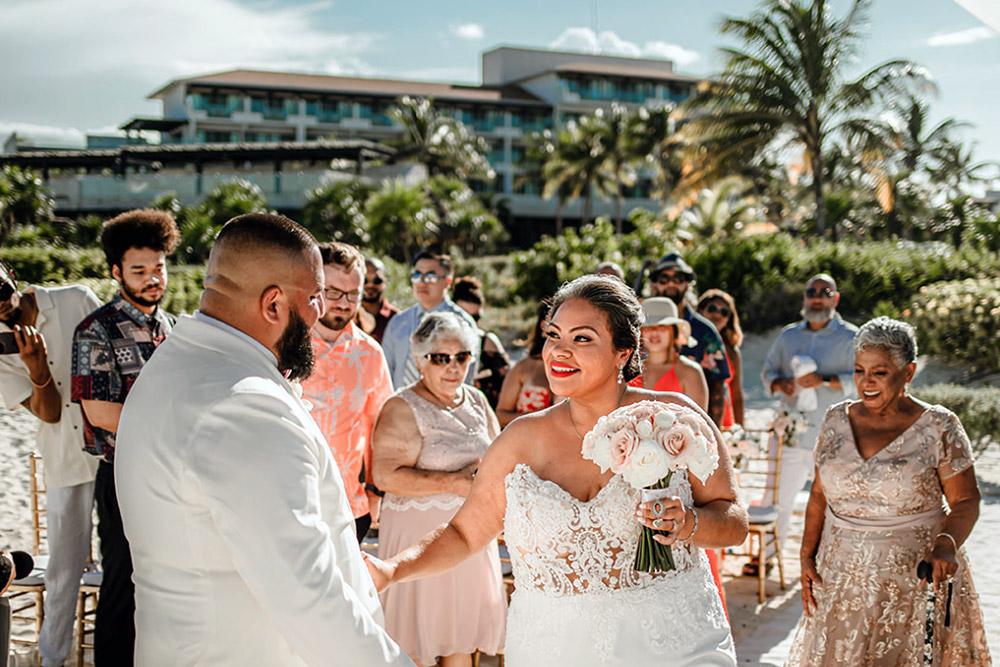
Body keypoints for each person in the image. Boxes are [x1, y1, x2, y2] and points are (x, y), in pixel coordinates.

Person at [369, 275, 748, 666]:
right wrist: (392, 569)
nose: (559, 352)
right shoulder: (520, 440)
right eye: (554, 336)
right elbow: (465, 533)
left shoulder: (673, 421)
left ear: (623, 351)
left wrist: (688, 523)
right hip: (552, 646)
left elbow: (733, 520)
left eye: (582, 339)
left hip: (670, 643)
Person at [115, 213, 410, 666]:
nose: (320, 312)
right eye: (314, 296)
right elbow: (305, 593)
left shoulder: (174, 366)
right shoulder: (244, 406)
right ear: (274, 305)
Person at [787, 317, 991, 666]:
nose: (866, 383)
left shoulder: (939, 426)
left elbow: (966, 500)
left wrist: (947, 544)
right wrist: (806, 556)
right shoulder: (835, 419)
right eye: (858, 370)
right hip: (839, 579)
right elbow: (819, 495)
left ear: (908, 373)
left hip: (914, 578)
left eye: (879, 373)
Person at [71, 209, 178, 666]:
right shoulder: (96, 330)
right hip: (122, 477)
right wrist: (172, 430)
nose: (153, 279)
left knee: (168, 583)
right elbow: (98, 412)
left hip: (171, 476)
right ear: (116, 272)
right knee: (123, 583)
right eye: (140, 271)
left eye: (159, 268)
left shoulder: (173, 328)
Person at [372, 311, 505, 667]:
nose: (453, 367)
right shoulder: (402, 406)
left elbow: (497, 455)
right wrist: (454, 482)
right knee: (418, 640)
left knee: (460, 638)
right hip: (418, 538)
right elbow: (385, 476)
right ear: (420, 360)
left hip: (472, 535)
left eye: (462, 357)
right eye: (440, 358)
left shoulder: (476, 400)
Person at [0, 261, 100, 667]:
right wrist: (37, 369)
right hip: (64, 456)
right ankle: (53, 659)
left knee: (135, 554)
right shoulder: (0, 350)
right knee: (63, 566)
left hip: (118, 448)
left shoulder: (75, 300)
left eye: (0, 288)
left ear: (9, 274)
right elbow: (50, 414)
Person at [302, 242, 393, 542]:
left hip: (349, 507)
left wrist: (377, 489)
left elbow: (382, 428)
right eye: (334, 292)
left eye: (353, 294)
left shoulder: (370, 354)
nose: (344, 302)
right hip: (291, 500)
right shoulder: (283, 347)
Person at [761, 274, 857, 550]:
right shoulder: (788, 336)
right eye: (811, 291)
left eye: (824, 291)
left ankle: (825, 559)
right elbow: (768, 373)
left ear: (835, 298)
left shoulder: (851, 337)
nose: (817, 297)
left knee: (832, 502)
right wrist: (783, 384)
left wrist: (824, 381)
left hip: (832, 436)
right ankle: (769, 555)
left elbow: (860, 381)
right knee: (778, 497)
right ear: (804, 297)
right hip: (791, 433)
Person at [646, 252, 731, 426]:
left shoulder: (705, 331)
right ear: (655, 283)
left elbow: (717, 388)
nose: (671, 283)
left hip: (691, 424)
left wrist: (713, 436)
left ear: (687, 284)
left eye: (678, 278)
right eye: (664, 278)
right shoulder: (641, 327)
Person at [382, 250, 478, 389]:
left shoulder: (463, 323)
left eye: (430, 276)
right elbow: (386, 371)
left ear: (448, 281)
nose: (422, 282)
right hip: (401, 405)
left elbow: (466, 379)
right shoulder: (398, 322)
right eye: (417, 275)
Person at [629, 297, 707, 409]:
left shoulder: (690, 372)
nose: (654, 331)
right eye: (648, 327)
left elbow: (698, 423)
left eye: (662, 327)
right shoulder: (629, 369)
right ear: (640, 333)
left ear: (674, 333)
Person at [452, 276, 510, 409]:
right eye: (463, 316)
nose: (469, 323)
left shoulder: (487, 341)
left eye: (474, 318)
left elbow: (507, 381)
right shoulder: (436, 345)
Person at [495, 302, 555, 427]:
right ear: (543, 326)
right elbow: (500, 416)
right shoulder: (523, 368)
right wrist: (538, 418)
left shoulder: (580, 368)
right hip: (528, 441)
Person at [697, 289, 745, 429]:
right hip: (691, 416)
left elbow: (736, 394)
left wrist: (740, 430)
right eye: (712, 308)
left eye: (724, 312)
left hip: (723, 421)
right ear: (700, 310)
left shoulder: (732, 352)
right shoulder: (688, 343)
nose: (717, 314)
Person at [361, 257, 399, 344]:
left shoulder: (398, 319)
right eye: (364, 280)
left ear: (385, 281)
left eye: (377, 280)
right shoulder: (347, 316)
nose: (370, 285)